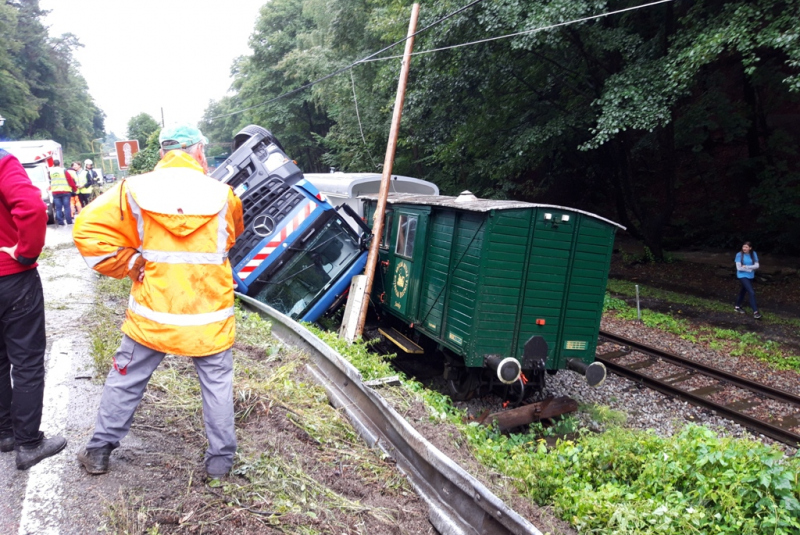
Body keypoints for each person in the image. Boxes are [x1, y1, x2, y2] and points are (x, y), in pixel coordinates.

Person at [72, 124, 244, 478]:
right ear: (197, 151)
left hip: (153, 313)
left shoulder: (132, 190)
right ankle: (220, 465)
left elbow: (86, 231)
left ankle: (100, 450)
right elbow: (231, 237)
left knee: (127, 377)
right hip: (208, 314)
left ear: (164, 153)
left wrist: (131, 263)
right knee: (217, 385)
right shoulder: (224, 194)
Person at [0, 148, 67, 470]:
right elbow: (30, 207)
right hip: (11, 277)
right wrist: (26, 253)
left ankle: (4, 433)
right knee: (25, 360)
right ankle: (28, 443)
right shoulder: (2, 161)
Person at [734, 241, 761, 319]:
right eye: (743, 247)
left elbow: (757, 265)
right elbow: (739, 268)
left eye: (746, 247)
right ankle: (755, 312)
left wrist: (746, 267)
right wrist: (750, 268)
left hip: (750, 276)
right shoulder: (739, 255)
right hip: (742, 275)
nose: (744, 248)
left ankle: (737, 307)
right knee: (751, 292)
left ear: (750, 248)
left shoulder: (753, 254)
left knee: (743, 291)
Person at [49, 159, 77, 226]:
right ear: (59, 164)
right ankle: (69, 221)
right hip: (65, 191)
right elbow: (70, 180)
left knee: (58, 208)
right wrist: (74, 188)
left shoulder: (50, 171)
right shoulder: (64, 170)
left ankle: (60, 222)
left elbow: (50, 180)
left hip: (55, 192)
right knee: (67, 207)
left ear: (53, 164)